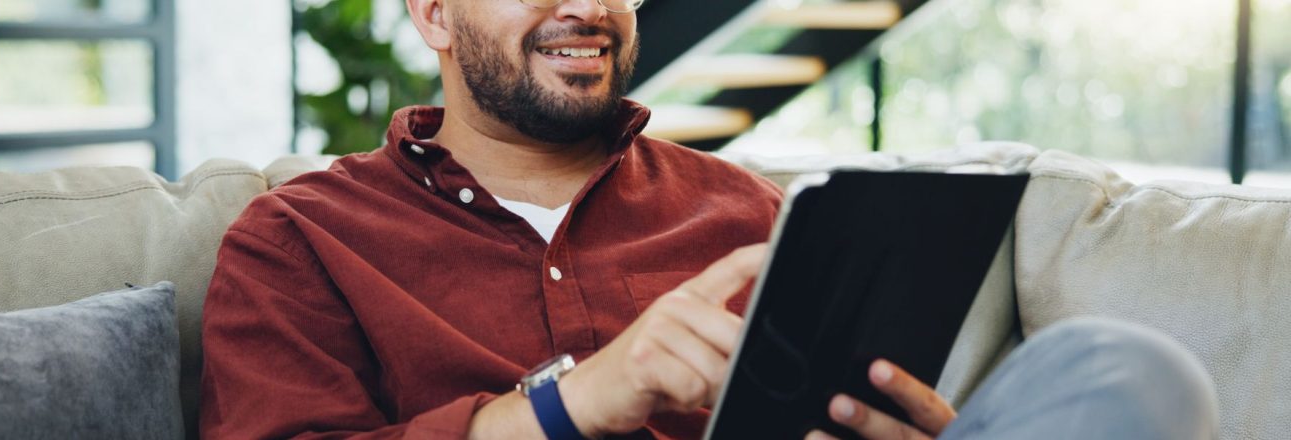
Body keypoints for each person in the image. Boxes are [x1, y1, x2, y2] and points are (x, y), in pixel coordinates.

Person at [199, 0, 1218, 438]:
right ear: (431, 15)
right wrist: (576, 401)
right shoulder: (299, 238)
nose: (586, 6)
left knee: (1125, 369)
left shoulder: (748, 208)